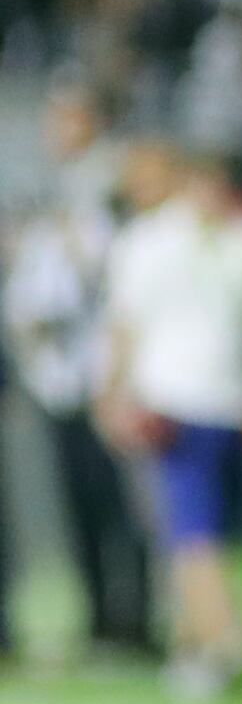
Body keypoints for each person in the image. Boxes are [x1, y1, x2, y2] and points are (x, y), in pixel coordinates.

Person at [100, 139, 242, 702]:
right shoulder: (164, 240)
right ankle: (209, 645)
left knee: (198, 532)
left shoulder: (238, 242)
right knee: (191, 528)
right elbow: (127, 327)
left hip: (213, 402)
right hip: (177, 401)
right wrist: (115, 392)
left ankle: (208, 645)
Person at [4, 82, 154, 657]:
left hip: (102, 372)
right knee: (81, 504)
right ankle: (98, 619)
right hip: (57, 374)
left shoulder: (108, 185)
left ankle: (133, 620)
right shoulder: (53, 189)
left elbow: (103, 271)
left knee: (120, 503)